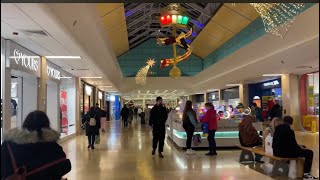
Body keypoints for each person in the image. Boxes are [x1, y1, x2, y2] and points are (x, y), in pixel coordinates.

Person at [1, 111, 71, 179]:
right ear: (47, 126)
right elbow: (65, 167)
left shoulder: (8, 146)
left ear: (25, 124)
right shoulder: (53, 148)